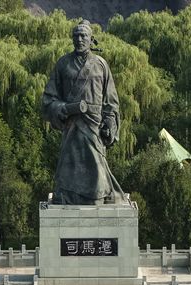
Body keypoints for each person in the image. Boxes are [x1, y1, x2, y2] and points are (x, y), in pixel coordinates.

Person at [40, 19, 127, 205]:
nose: (79, 39)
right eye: (76, 36)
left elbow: (111, 100)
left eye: (83, 36)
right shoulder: (63, 64)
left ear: (91, 39)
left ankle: (98, 197)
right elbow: (48, 99)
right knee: (69, 167)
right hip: (72, 125)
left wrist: (110, 123)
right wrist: (62, 108)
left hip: (94, 126)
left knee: (97, 169)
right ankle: (67, 196)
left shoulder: (101, 65)